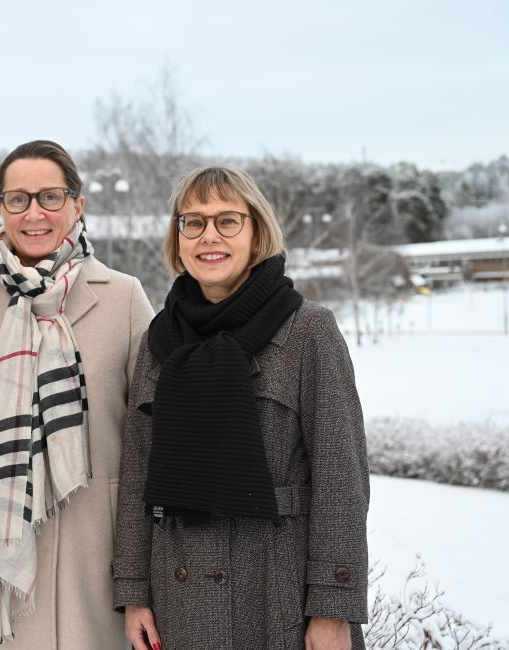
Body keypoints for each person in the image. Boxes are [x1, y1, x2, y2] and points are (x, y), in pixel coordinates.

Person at [0, 140, 154, 648]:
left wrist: (140, 573)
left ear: (78, 205)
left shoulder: (125, 298)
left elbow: (151, 439)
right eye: (18, 199)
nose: (34, 213)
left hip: (95, 562)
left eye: (50, 197)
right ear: (1, 207)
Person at [113, 165, 369, 649]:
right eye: (193, 222)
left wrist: (333, 607)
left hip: (280, 597)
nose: (209, 236)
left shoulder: (308, 330)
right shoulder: (159, 339)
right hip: (177, 600)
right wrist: (133, 593)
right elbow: (136, 476)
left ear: (256, 234)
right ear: (178, 238)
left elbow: (342, 479)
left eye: (227, 221)